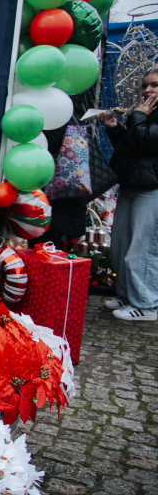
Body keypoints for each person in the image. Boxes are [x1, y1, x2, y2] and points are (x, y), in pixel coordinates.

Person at [100, 67, 158, 321]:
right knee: (121, 245)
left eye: (154, 85)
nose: (147, 90)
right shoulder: (146, 113)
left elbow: (145, 141)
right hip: (132, 185)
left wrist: (137, 115)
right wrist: (114, 128)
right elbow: (131, 147)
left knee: (143, 249)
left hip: (152, 190)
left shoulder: (143, 114)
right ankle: (127, 296)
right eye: (145, 85)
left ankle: (146, 304)